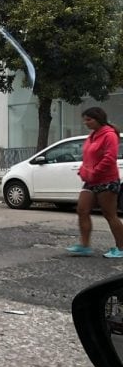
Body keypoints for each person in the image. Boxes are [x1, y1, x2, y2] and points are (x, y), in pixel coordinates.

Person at [67, 107, 123, 258]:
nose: (86, 122)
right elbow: (88, 157)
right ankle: (85, 246)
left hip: (107, 180)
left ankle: (121, 248)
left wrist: (94, 172)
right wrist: (83, 170)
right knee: (82, 210)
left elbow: (110, 158)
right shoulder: (93, 136)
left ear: (98, 119)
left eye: (89, 119)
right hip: (90, 181)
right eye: (84, 119)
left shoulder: (109, 135)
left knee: (109, 214)